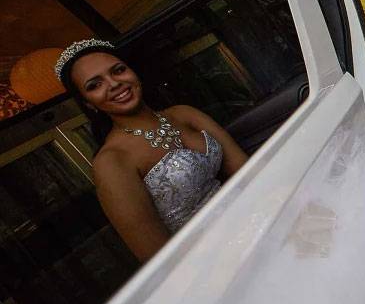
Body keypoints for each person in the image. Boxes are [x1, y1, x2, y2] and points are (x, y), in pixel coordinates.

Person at [55, 39, 248, 262]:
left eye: (118, 70)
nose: (114, 84)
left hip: (251, 214)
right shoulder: (112, 162)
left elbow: (249, 172)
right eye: (94, 85)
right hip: (212, 260)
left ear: (133, 72)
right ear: (88, 103)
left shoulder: (184, 114)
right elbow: (159, 260)